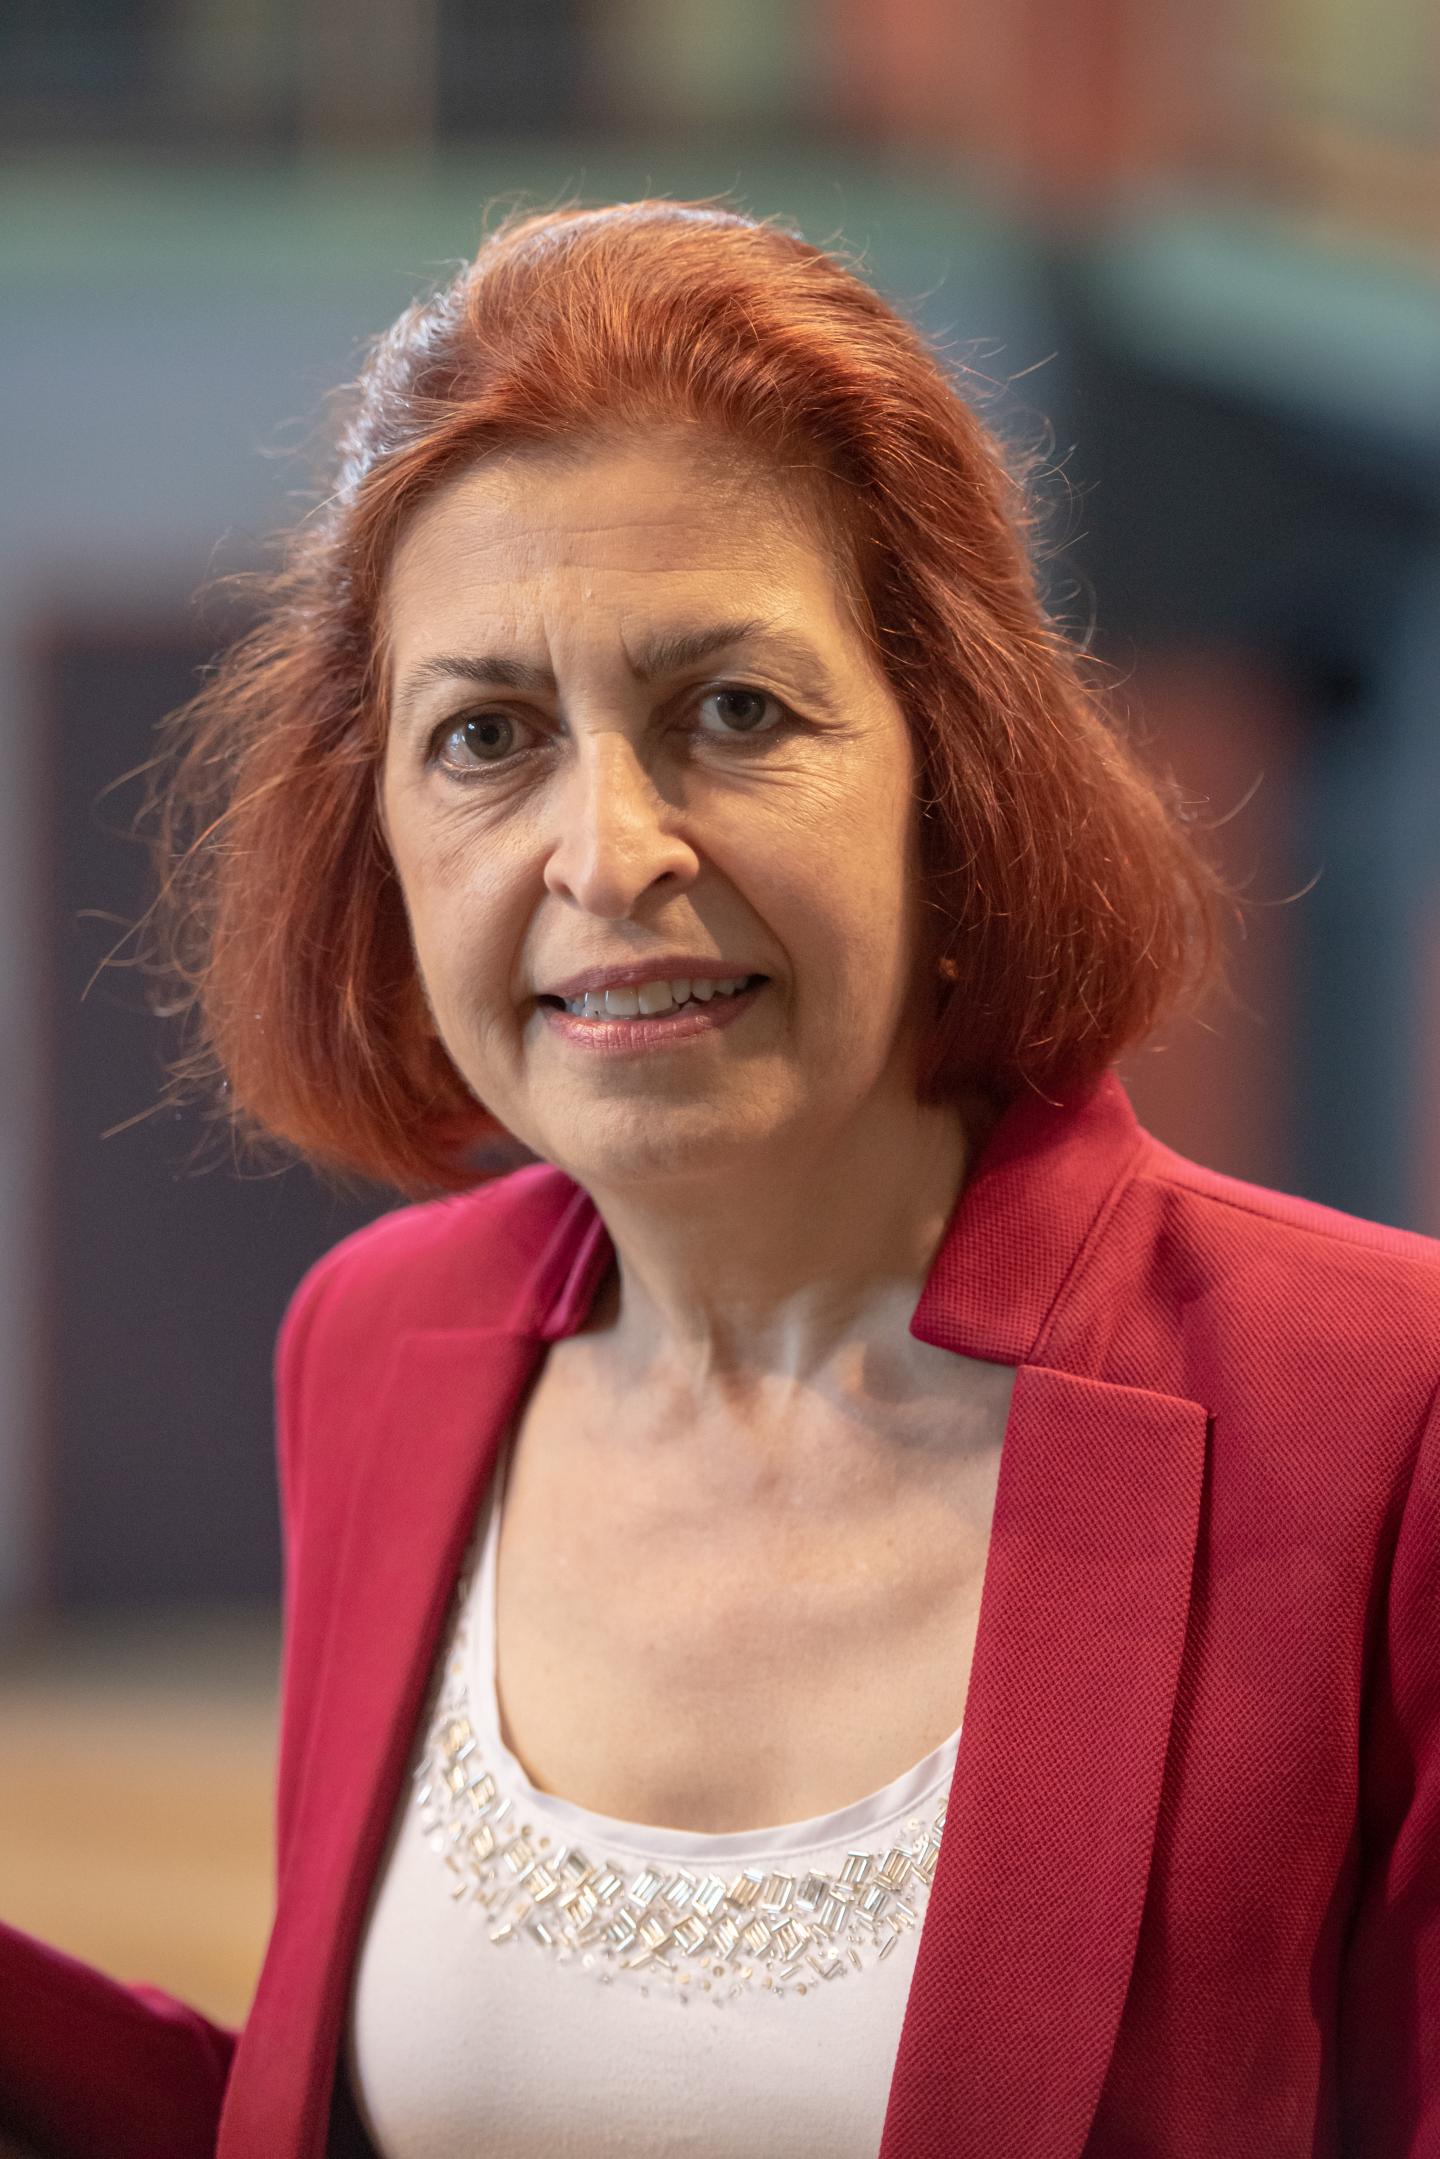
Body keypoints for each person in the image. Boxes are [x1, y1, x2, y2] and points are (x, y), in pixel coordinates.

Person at [1, 196, 1436, 2159]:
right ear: (379, 833)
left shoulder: (1375, 1418)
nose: (609, 853)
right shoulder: (382, 1345)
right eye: (486, 735)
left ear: (951, 766)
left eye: (734, 712)